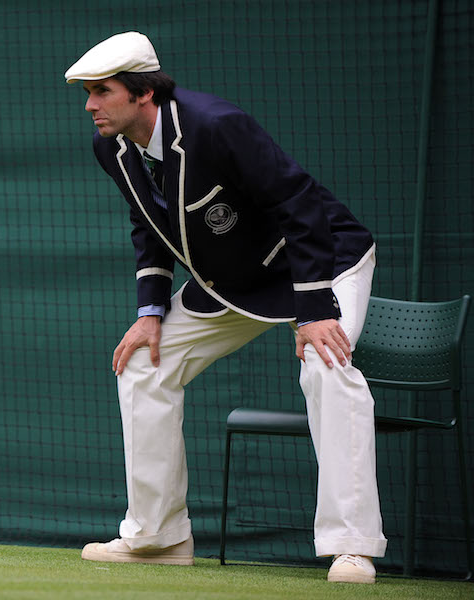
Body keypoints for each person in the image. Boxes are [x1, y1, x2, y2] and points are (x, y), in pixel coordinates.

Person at [64, 32, 387, 584]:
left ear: (143, 92)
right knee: (144, 363)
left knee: (327, 365)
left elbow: (299, 202)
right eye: (88, 93)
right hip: (234, 282)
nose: (91, 105)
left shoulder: (216, 124)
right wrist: (150, 311)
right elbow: (149, 226)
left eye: (102, 91)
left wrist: (312, 312)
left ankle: (351, 547)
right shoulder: (112, 146)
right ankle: (159, 537)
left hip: (323, 261)